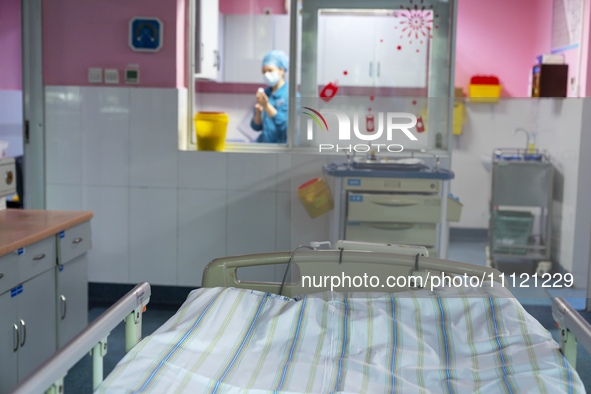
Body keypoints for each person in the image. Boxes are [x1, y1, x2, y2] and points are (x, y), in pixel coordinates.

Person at [250, 50, 289, 143]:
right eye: (263, 71)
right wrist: (258, 113)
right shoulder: (265, 94)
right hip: (264, 146)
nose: (266, 74)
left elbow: (287, 126)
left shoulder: (291, 95)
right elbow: (256, 127)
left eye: (270, 70)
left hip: (282, 149)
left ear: (281, 70)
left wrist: (266, 106)